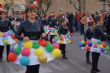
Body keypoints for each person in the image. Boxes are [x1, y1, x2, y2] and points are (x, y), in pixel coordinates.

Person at [16, 5, 46, 73]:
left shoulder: (39, 23)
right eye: (31, 12)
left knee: (37, 66)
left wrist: (43, 34)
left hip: (37, 47)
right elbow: (17, 35)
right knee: (30, 68)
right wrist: (23, 38)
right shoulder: (23, 24)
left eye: (34, 12)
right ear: (27, 13)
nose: (33, 13)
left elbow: (43, 32)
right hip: (28, 48)